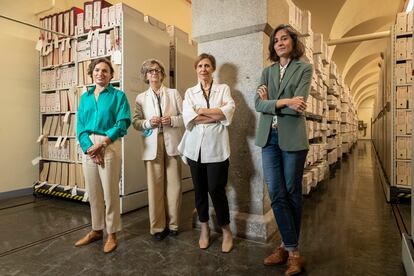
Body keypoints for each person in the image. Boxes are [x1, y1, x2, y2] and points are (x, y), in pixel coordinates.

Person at [255, 24, 312, 275]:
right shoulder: (267, 72)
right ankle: (293, 251)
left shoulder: (304, 68)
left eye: (284, 38)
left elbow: (299, 105)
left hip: (292, 137)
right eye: (276, 40)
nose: (279, 43)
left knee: (291, 193)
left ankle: (285, 247)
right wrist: (286, 101)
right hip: (269, 138)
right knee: (276, 192)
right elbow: (258, 103)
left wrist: (274, 103)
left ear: (293, 42)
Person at [178, 53, 235, 253]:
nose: (204, 69)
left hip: (217, 148)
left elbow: (229, 111)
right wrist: (215, 114)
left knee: (216, 189)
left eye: (207, 65)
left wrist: (202, 111)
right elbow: (189, 118)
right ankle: (204, 228)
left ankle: (226, 230)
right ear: (196, 69)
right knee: (200, 190)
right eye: (200, 66)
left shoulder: (223, 89)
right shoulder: (190, 92)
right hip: (195, 149)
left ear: (213, 69)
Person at [75, 58, 131, 253]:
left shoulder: (118, 96)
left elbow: (123, 122)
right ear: (92, 73)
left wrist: (102, 144)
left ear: (111, 75)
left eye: (105, 71)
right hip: (89, 147)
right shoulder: (85, 97)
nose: (100, 73)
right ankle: (96, 230)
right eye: (97, 70)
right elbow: (80, 126)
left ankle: (112, 234)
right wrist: (90, 147)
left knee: (110, 192)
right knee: (94, 192)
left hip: (109, 144)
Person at [132, 59, 184, 241]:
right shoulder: (140, 98)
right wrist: (148, 123)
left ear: (162, 74)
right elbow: (136, 122)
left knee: (174, 185)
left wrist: (172, 120)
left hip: (172, 143)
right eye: (150, 71)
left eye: (157, 70)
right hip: (151, 145)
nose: (154, 73)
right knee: (155, 187)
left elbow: (186, 117)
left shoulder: (173, 93)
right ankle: (157, 227)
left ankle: (174, 224)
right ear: (146, 76)